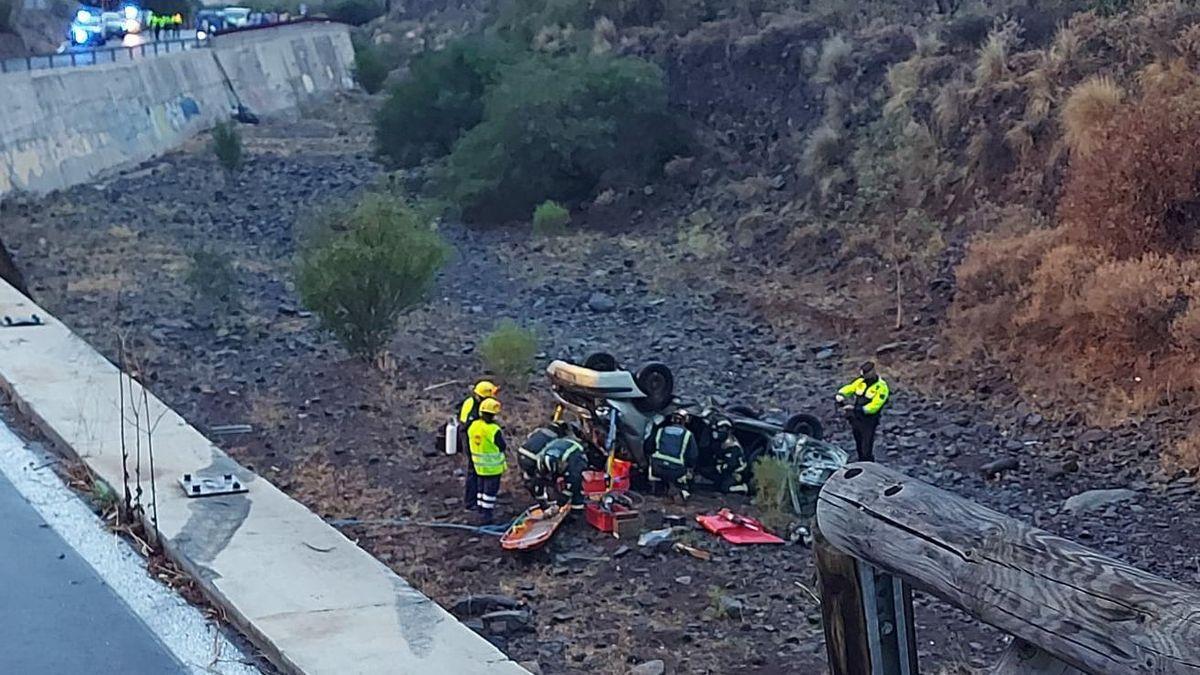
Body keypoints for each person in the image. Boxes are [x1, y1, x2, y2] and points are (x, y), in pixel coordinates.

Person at [836, 361, 890, 461]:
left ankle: (869, 465)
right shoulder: (861, 382)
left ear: (872, 372)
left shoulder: (881, 387)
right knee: (858, 443)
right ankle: (861, 461)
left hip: (869, 420)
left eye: (865, 374)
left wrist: (856, 409)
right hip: (856, 418)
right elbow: (850, 388)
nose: (863, 376)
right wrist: (841, 394)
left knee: (866, 446)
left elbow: (875, 406)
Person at [458, 380, 499, 510]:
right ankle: (471, 502)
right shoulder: (473, 408)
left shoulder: (471, 402)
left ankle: (478, 499)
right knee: (473, 471)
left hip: (472, 438)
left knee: (477, 472)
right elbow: (471, 427)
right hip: (472, 441)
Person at [468, 397, 507, 523]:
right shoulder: (493, 430)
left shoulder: (474, 426)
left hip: (479, 466)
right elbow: (502, 446)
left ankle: (480, 509)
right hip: (492, 468)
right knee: (490, 493)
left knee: (481, 489)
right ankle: (487, 516)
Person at [649, 410, 699, 499]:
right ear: (686, 420)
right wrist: (690, 468)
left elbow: (648, 447)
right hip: (676, 470)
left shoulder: (660, 431)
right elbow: (693, 456)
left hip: (657, 468)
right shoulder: (688, 434)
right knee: (686, 480)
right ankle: (682, 492)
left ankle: (657, 490)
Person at [710, 417, 749, 494]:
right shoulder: (722, 442)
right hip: (726, 470)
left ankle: (743, 488)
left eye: (722, 429)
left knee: (724, 488)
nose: (718, 432)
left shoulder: (733, 446)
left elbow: (731, 464)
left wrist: (720, 467)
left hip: (737, 473)